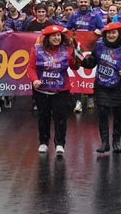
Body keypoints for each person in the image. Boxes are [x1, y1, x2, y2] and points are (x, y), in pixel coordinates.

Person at [81, 22, 121, 153]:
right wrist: (82, 59)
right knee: (102, 113)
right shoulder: (99, 45)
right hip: (101, 84)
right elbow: (92, 62)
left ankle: (116, 142)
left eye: (114, 33)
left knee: (118, 114)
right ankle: (105, 143)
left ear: (119, 33)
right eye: (108, 33)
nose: (111, 35)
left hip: (119, 85)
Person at [27, 25, 81, 156]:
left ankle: (60, 144)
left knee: (60, 118)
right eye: (53, 36)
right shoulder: (37, 49)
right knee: (43, 117)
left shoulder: (67, 50)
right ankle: (43, 142)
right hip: (42, 91)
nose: (56, 38)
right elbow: (31, 68)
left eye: (58, 36)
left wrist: (77, 54)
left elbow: (75, 66)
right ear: (47, 38)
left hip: (61, 90)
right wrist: (34, 80)